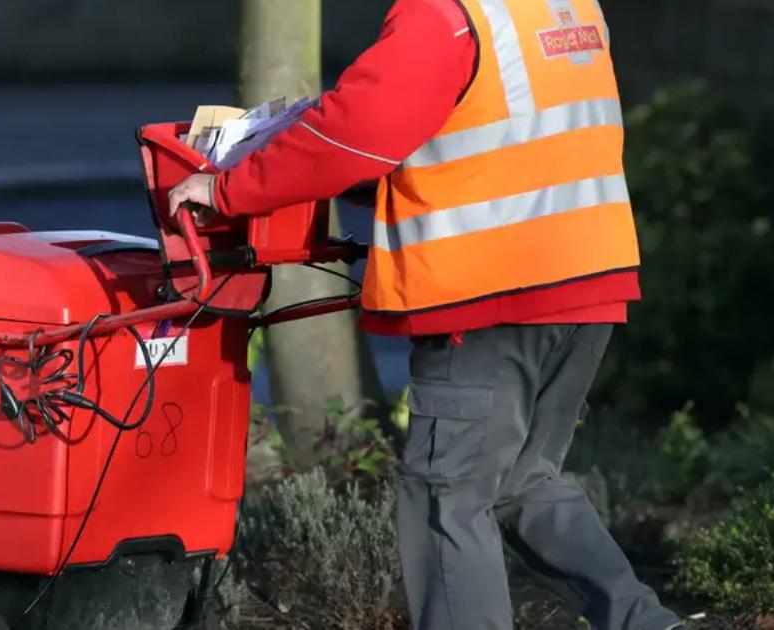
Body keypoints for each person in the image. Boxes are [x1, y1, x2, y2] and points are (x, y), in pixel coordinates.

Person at [167, 1, 684, 629]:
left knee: (449, 498)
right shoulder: (563, 6)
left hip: (489, 293)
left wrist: (228, 187)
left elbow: (352, 131)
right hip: (584, 277)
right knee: (523, 485)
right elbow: (492, 133)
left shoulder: (442, 15)